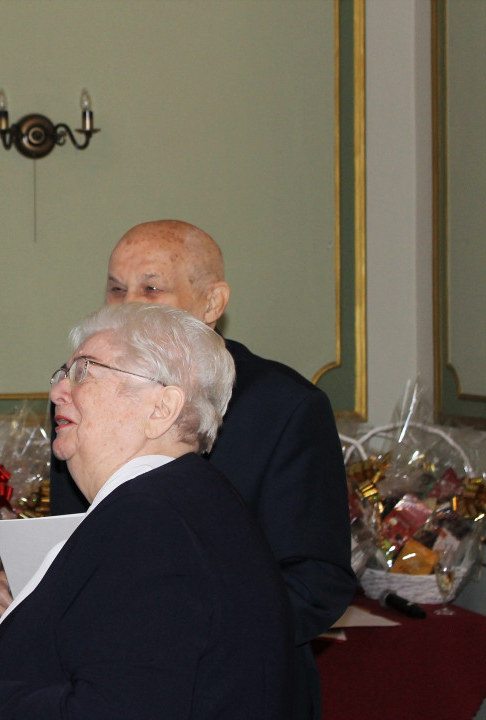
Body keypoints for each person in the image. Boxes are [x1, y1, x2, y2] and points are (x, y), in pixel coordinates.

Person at [0, 303, 293, 719]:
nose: (57, 392)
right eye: (63, 373)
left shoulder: (149, 522)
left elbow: (117, 710)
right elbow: (93, 664)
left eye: (84, 371)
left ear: (160, 408)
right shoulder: (185, 497)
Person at [31, 219, 355, 719]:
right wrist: (37, 586)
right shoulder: (85, 393)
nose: (127, 304)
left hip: (237, 692)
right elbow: (77, 535)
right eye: (117, 289)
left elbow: (317, 582)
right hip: (98, 678)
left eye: (151, 288)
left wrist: (177, 633)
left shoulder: (285, 406)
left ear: (212, 302)